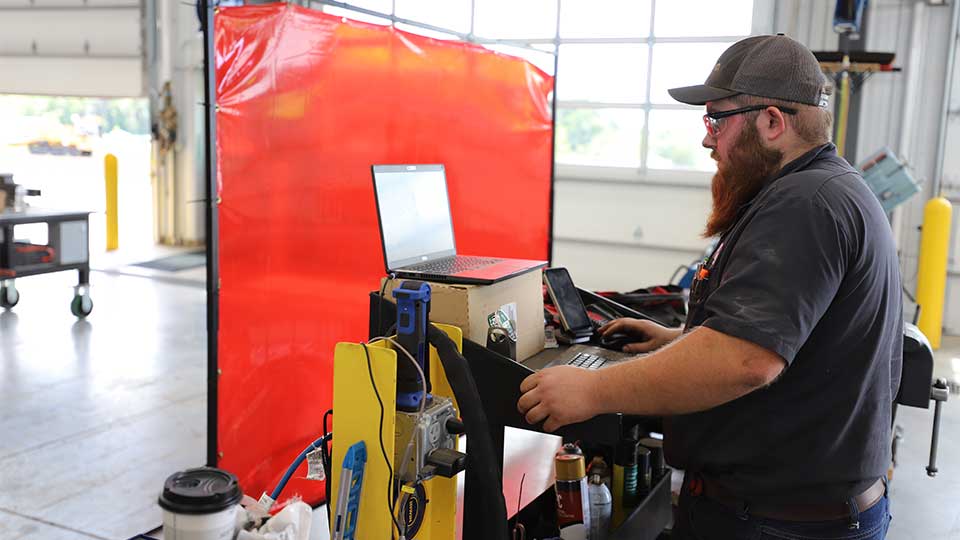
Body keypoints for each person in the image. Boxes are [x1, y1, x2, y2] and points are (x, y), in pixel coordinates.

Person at [517, 35, 901, 540]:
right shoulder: (823, 190)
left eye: (717, 120)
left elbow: (747, 361)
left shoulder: (804, 204)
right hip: (794, 509)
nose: (707, 139)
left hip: (779, 523)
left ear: (771, 122)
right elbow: (790, 342)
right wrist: (679, 341)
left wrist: (592, 390)